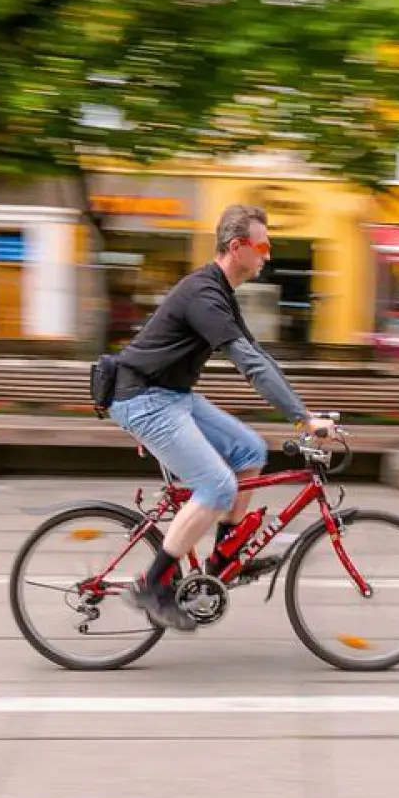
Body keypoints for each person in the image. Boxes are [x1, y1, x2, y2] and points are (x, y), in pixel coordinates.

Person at [108, 204, 337, 632]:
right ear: (237, 247)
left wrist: (305, 410)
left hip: (170, 396)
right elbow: (249, 364)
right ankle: (152, 585)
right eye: (263, 246)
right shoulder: (204, 295)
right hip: (144, 399)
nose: (268, 256)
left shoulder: (219, 293)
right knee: (217, 485)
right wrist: (304, 421)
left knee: (249, 449)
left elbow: (259, 357)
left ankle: (223, 560)